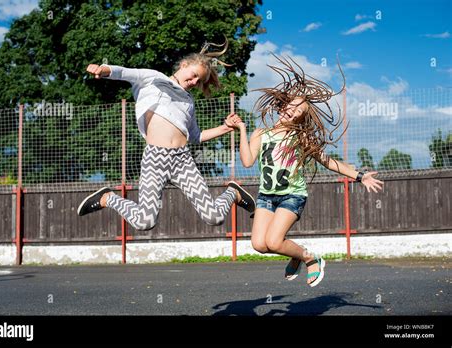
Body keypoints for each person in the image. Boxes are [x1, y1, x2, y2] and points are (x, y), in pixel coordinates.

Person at [232, 55, 384, 287]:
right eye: (291, 106)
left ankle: (311, 259)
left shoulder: (301, 137)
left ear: (302, 117)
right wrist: (242, 128)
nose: (292, 112)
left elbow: (327, 161)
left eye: (298, 111)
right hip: (266, 196)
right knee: (259, 245)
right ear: (283, 104)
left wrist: (360, 176)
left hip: (292, 195)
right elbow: (246, 160)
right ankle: (295, 254)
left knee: (273, 241)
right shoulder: (261, 133)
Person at [77, 40, 255, 230]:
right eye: (194, 75)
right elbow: (125, 72)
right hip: (154, 158)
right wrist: (103, 69)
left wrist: (225, 128)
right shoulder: (155, 78)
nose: (195, 82)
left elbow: (195, 136)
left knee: (215, 217)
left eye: (199, 81)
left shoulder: (188, 101)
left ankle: (232, 193)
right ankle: (108, 198)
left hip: (182, 160)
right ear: (183, 65)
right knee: (145, 222)